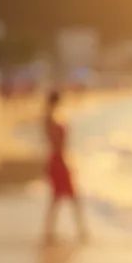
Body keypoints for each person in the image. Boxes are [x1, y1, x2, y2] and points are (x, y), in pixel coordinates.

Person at [41, 89, 87, 243]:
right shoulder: (51, 119)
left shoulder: (50, 118)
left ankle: (51, 232)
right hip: (59, 160)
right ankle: (81, 231)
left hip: (57, 159)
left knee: (58, 198)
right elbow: (58, 143)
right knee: (69, 197)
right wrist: (65, 161)